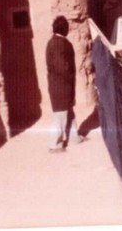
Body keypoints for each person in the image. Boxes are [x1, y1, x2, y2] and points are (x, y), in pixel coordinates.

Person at [45, 16, 83, 152]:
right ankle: (54, 144)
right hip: (60, 85)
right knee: (60, 114)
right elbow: (62, 67)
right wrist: (70, 78)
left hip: (63, 85)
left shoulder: (56, 42)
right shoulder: (57, 44)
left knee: (68, 112)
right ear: (64, 28)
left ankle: (73, 137)